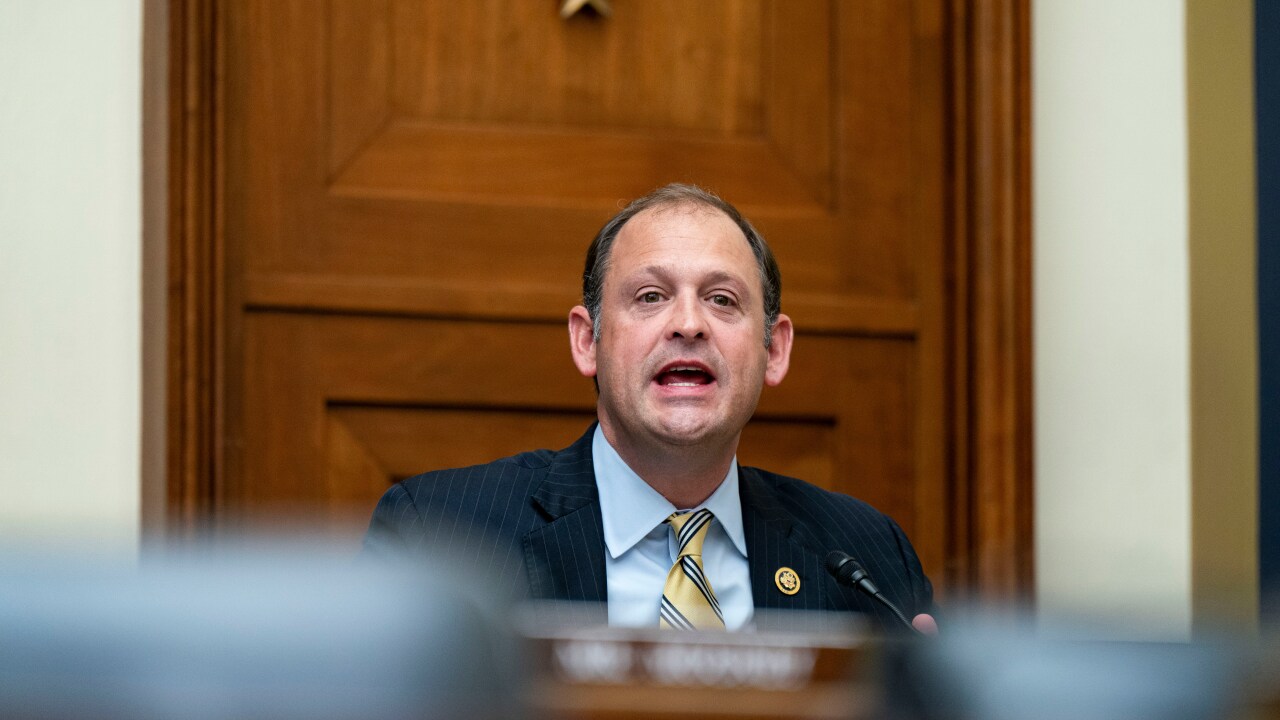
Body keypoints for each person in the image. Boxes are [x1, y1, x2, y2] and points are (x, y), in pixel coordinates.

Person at [364, 184, 936, 633]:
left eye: (722, 300)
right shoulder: (440, 537)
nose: (688, 324)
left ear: (775, 349)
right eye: (650, 296)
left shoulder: (868, 557)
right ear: (587, 340)